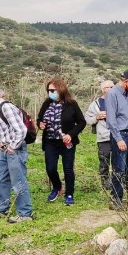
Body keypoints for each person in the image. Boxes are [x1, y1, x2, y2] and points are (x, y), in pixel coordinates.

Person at [0, 83, 33, 223]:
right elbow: (7, 130)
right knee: (1, 178)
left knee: (18, 181)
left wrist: (13, 147)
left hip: (14, 150)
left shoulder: (6, 107)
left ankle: (25, 213)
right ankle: (2, 208)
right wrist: (2, 143)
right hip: (5, 149)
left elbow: (21, 130)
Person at [36, 78, 86, 206]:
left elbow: (81, 122)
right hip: (50, 142)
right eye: (49, 90)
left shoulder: (72, 104)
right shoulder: (47, 103)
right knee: (50, 168)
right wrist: (40, 124)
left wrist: (71, 134)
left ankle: (69, 194)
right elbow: (40, 119)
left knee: (68, 169)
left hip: (66, 142)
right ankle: (57, 187)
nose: (50, 92)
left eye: (53, 90)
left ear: (61, 89)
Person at [105, 69, 128, 210]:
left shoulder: (127, 94)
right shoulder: (112, 94)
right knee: (119, 168)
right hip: (119, 135)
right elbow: (111, 120)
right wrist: (119, 139)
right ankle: (116, 200)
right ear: (126, 81)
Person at [84, 80, 114, 191]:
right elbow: (87, 119)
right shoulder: (96, 104)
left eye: (112, 87)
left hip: (118, 136)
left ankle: (119, 182)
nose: (111, 89)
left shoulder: (119, 100)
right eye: (108, 87)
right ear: (103, 89)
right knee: (104, 161)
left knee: (118, 161)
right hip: (103, 137)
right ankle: (105, 185)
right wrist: (97, 117)